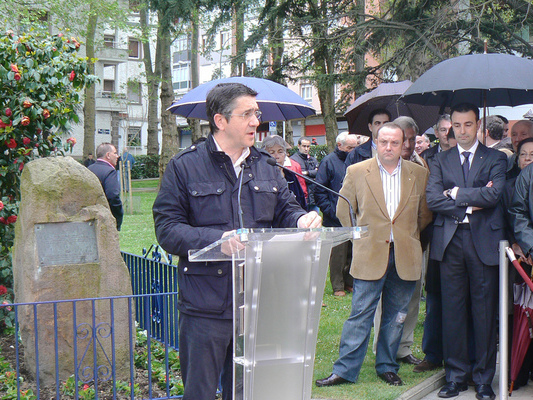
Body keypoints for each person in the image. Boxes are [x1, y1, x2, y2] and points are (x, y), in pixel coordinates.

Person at [152, 83, 321, 400]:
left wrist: (302, 220)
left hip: (258, 303)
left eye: (256, 113)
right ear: (220, 120)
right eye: (247, 114)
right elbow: (168, 229)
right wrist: (219, 241)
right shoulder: (184, 166)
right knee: (199, 393)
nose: (256, 121)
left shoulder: (266, 165)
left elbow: (285, 209)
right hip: (206, 308)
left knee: (246, 393)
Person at [315, 122, 431, 388]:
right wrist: (360, 237)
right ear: (375, 143)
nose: (389, 147)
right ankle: (345, 369)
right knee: (360, 314)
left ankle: (387, 366)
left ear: (403, 145)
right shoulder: (357, 171)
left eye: (395, 143)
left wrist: (407, 236)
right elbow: (344, 209)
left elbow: (424, 214)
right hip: (369, 254)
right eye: (383, 142)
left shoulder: (418, 173)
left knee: (396, 315)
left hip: (405, 255)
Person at [426, 103, 507, 400]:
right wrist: (475, 201)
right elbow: (433, 199)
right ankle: (456, 376)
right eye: (456, 126)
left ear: (478, 126)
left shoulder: (496, 158)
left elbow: (495, 194)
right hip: (450, 242)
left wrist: (457, 194)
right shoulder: (440, 159)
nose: (461, 131)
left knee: (485, 312)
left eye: (467, 125)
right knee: (453, 312)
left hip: (484, 242)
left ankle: (484, 380)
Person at [372, 116, 427, 366]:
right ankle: (380, 348)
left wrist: (411, 233)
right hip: (379, 246)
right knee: (379, 300)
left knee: (410, 300)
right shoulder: (372, 164)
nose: (407, 144)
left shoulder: (420, 165)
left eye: (411, 139)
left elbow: (425, 211)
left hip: (412, 245)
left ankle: (403, 348)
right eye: (402, 139)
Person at [315, 131, 359, 296]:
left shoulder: (355, 160)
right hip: (334, 218)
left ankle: (349, 282)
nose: (352, 150)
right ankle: (338, 286)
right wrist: (331, 211)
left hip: (353, 216)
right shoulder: (328, 162)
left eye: (355, 147)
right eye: (349, 147)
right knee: (338, 255)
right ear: (339, 145)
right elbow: (319, 190)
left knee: (352, 253)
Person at [261, 135, 307, 209]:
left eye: (280, 152)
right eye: (272, 152)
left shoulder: (291, 176)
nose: (277, 156)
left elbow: (301, 201)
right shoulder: (259, 176)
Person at [88, 143, 124, 231]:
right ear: (108, 155)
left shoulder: (88, 169)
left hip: (89, 216)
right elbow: (112, 196)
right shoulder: (110, 172)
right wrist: (118, 216)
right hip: (105, 218)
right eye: (115, 153)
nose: (117, 156)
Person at [290, 136, 319, 211]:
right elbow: (299, 178)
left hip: (313, 198)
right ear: (298, 146)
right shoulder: (293, 160)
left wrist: (307, 173)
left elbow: (318, 174)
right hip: (301, 197)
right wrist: (312, 175)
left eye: (308, 146)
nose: (306, 149)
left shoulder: (313, 159)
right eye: (304, 146)